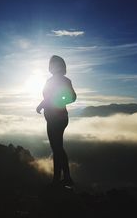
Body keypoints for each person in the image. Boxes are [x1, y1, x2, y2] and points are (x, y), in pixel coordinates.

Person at [36, 55, 76, 187]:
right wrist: (41, 105)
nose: (51, 66)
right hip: (56, 117)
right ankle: (63, 178)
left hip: (57, 119)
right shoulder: (55, 80)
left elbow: (72, 97)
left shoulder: (61, 81)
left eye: (52, 64)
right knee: (58, 148)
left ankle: (58, 179)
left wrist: (57, 101)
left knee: (57, 148)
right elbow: (48, 97)